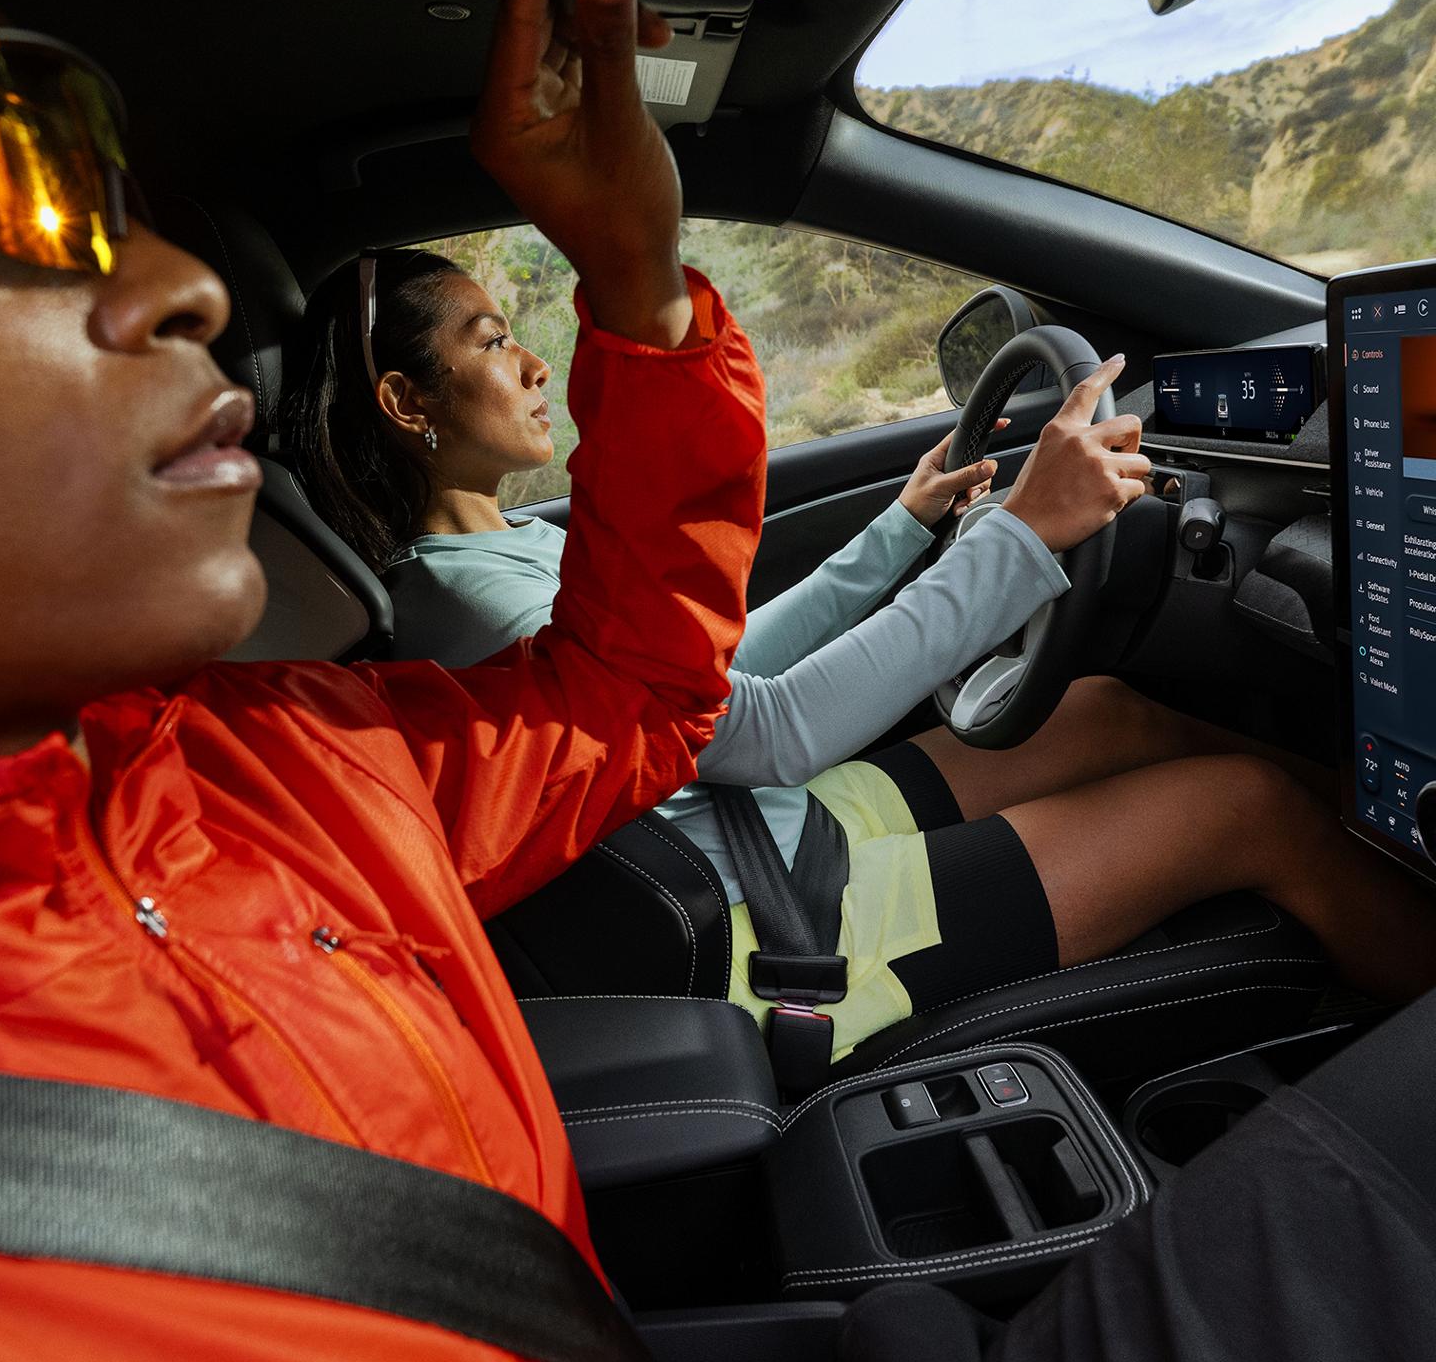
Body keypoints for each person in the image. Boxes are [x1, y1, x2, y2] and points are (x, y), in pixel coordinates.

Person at [0, 0, 1435, 1362]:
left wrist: (642, 288)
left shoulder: (252, 767)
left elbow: (634, 702)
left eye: (109, 197)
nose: (172, 282)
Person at [288, 252, 1436, 1041]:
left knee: (1108, 711)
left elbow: (706, 681)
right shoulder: (470, 608)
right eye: (495, 342)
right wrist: (1027, 534)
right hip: (774, 929)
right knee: (1244, 807)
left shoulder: (503, 554)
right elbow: (772, 729)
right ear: (406, 402)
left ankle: (1399, 857)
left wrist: (904, 529)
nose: (538, 364)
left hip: (763, 838)